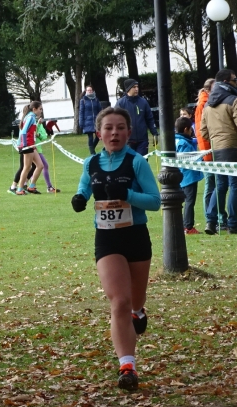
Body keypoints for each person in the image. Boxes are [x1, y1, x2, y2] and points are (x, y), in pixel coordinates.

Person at [70, 107, 161, 391]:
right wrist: (79, 198)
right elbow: (85, 187)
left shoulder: (136, 162)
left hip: (135, 237)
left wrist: (129, 195)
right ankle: (127, 366)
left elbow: (155, 201)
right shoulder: (91, 163)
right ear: (99, 134)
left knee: (134, 300)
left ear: (128, 132)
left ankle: (139, 310)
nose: (114, 133)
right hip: (107, 239)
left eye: (120, 127)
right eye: (109, 128)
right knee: (119, 301)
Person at [200, 69, 237, 235]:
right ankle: (233, 223)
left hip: (218, 150)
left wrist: (216, 139)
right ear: (226, 82)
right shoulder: (235, 100)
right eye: (235, 80)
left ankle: (211, 220)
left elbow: (203, 131)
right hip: (235, 149)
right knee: (235, 186)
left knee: (220, 186)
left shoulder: (208, 105)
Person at [195, 79, 227, 231]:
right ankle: (212, 218)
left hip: (211, 149)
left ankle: (215, 217)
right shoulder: (204, 104)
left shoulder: (207, 102)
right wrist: (207, 151)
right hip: (209, 150)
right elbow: (203, 131)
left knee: (215, 185)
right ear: (209, 89)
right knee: (212, 185)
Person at [114, 79, 158, 156]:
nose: (136, 89)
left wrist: (155, 133)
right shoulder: (120, 103)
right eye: (134, 87)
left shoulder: (143, 102)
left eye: (137, 87)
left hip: (142, 140)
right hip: (127, 140)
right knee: (129, 164)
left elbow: (149, 119)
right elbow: (115, 121)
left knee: (142, 163)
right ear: (128, 89)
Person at [9, 102, 44, 195]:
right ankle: (19, 189)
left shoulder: (30, 117)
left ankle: (31, 186)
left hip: (31, 145)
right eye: (40, 109)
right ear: (34, 109)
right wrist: (25, 144)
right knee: (27, 167)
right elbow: (23, 132)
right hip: (27, 145)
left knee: (40, 165)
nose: (41, 111)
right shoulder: (31, 117)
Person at [175, 116, 203, 235]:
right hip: (188, 176)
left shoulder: (177, 140)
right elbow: (188, 159)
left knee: (183, 202)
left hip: (181, 176)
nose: (192, 131)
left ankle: (182, 225)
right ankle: (188, 226)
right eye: (191, 129)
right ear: (186, 129)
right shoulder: (183, 143)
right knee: (189, 202)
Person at [79, 85, 102, 155]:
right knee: (90, 137)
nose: (90, 91)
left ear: (93, 91)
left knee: (98, 136)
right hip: (87, 121)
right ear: (86, 91)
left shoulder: (96, 100)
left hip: (96, 121)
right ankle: (92, 152)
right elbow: (81, 112)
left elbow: (100, 110)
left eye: (91, 90)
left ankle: (92, 148)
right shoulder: (83, 100)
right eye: (88, 90)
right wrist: (81, 122)